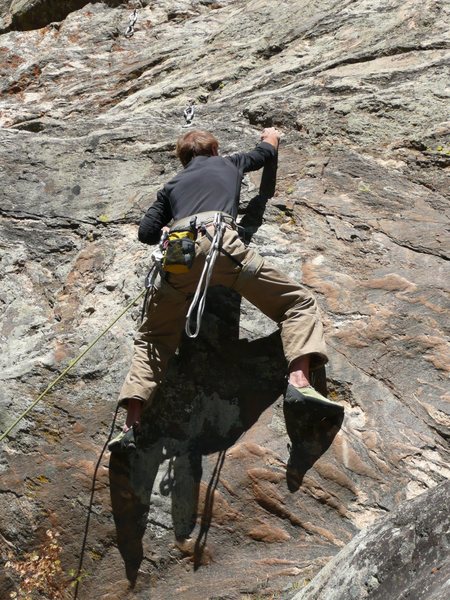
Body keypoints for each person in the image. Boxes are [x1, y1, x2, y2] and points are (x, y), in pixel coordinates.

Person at [108, 128, 343, 452]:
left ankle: (131, 426)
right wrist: (271, 135)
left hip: (181, 254)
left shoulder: (172, 186)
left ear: (184, 159)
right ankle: (299, 382)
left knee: (153, 339)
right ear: (214, 151)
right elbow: (264, 155)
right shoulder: (230, 164)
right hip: (223, 246)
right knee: (297, 303)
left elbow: (146, 233)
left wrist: (168, 223)